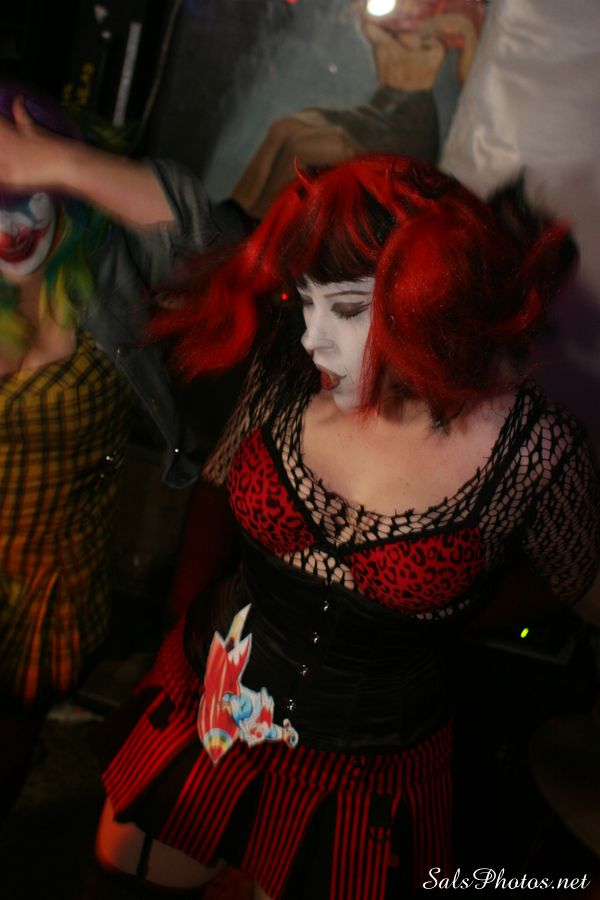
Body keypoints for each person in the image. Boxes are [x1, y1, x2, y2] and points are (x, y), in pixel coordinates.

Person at [93, 154, 599, 900]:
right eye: (304, 301)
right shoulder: (290, 372)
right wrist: (180, 611)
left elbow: (571, 582)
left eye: (349, 309)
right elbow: (220, 481)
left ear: (437, 297)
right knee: (122, 868)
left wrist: (444, 614)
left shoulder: (534, 450)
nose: (313, 339)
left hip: (367, 769)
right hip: (213, 701)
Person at [0, 82, 246, 813]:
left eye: (24, 192)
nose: (10, 225)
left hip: (54, 574)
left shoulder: (106, 261)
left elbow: (221, 248)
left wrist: (68, 165)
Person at [231, 0, 483, 219]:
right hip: (376, 108)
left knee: (304, 148)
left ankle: (256, 230)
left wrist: (456, 27)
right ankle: (232, 215)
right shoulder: (389, 16)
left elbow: (469, 68)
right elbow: (370, 26)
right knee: (283, 127)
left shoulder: (442, 25)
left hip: (407, 121)